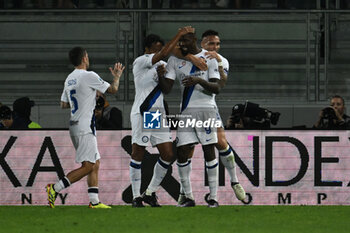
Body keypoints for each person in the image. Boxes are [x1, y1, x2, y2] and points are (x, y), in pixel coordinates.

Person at [46, 46, 125, 209]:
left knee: (95, 162)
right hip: (84, 126)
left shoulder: (69, 79)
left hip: (74, 125)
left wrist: (85, 98)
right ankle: (55, 188)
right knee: (88, 165)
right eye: (87, 56)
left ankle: (94, 201)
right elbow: (113, 90)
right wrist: (117, 76)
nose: (88, 58)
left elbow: (63, 104)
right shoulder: (89, 75)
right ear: (84, 58)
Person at [129, 26, 194, 208]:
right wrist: (179, 34)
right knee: (138, 152)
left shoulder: (161, 65)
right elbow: (165, 52)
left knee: (167, 154)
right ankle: (135, 197)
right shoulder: (141, 61)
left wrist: (162, 76)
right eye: (156, 48)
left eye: (160, 48)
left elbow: (166, 89)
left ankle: (149, 193)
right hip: (143, 111)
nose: (160, 52)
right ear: (148, 49)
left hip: (157, 113)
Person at [158, 31, 222, 207]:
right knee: (182, 152)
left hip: (206, 109)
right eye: (180, 41)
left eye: (185, 40)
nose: (182, 44)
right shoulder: (174, 61)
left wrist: (198, 81)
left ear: (194, 40)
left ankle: (214, 198)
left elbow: (217, 88)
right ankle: (189, 197)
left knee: (209, 150)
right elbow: (167, 88)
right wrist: (159, 75)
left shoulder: (208, 58)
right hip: (186, 112)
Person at [199, 30, 246, 202]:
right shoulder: (193, 58)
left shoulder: (222, 60)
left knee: (221, 143)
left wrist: (218, 65)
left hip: (209, 107)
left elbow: (220, 85)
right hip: (190, 109)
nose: (215, 47)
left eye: (217, 44)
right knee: (185, 151)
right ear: (202, 44)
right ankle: (186, 193)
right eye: (211, 43)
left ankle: (234, 181)